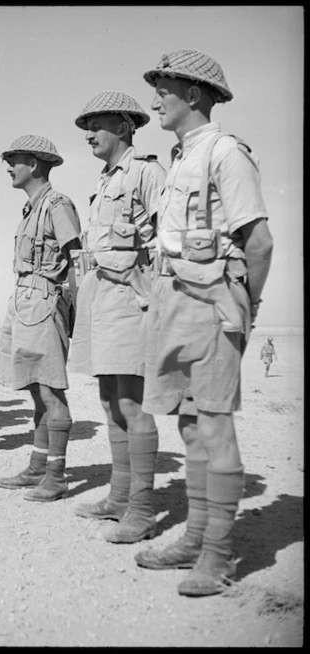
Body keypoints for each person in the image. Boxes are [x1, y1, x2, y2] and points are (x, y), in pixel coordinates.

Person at [134, 50, 274, 596]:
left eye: (163, 92)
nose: (154, 102)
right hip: (175, 299)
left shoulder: (225, 153)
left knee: (213, 426)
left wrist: (246, 308)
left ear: (192, 95)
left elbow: (258, 243)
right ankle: (195, 538)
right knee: (190, 425)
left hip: (213, 302)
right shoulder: (180, 157)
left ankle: (218, 558)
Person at [70, 91, 166, 542]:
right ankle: (119, 496)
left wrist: (158, 298)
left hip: (132, 297)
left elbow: (167, 240)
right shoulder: (105, 182)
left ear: (125, 127)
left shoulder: (147, 173)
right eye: (86, 127)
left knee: (133, 403)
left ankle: (143, 510)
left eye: (97, 125)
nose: (89, 134)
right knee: (110, 402)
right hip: (102, 297)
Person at [0, 135, 81, 502]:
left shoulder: (57, 204)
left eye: (15, 160)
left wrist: (75, 316)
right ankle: (38, 465)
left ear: (34, 164)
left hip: (46, 302)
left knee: (50, 389)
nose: (9, 167)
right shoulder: (32, 207)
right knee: (35, 387)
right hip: (25, 300)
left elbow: (77, 261)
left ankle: (56, 475)